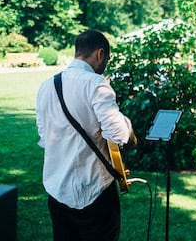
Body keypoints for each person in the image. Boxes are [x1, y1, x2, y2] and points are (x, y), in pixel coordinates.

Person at [36, 30, 137, 241]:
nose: (106, 64)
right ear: (100, 54)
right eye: (107, 58)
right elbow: (118, 135)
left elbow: (45, 138)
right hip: (95, 190)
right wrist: (127, 126)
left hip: (57, 189)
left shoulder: (45, 87)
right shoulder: (96, 84)